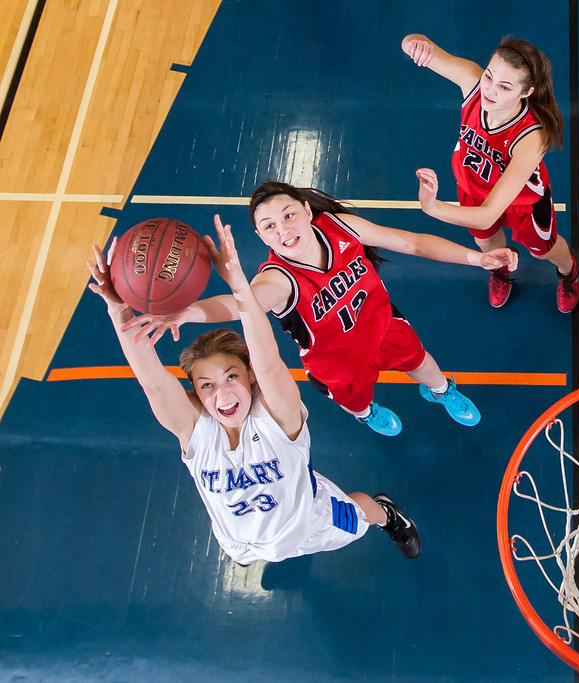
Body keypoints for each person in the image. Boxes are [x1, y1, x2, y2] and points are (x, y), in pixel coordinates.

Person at [87, 216, 421, 564]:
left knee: (363, 516)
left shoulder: (277, 416)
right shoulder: (195, 430)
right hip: (238, 542)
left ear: (249, 375)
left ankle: (387, 514)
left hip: (313, 523)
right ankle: (260, 548)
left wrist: (239, 286)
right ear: (196, 393)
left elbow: (268, 364)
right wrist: (118, 308)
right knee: (244, 553)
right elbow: (153, 381)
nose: (222, 394)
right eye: (207, 385)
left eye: (231, 377)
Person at [126, 180, 519, 437]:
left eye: (288, 215)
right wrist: (187, 312)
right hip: (337, 364)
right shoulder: (278, 280)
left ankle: (441, 391)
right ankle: (367, 413)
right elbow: (238, 303)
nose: (283, 229)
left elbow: (412, 243)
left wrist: (476, 259)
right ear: (261, 236)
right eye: (269, 226)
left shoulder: (341, 227)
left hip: (384, 327)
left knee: (425, 364)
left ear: (307, 210)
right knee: (358, 403)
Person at [402, 34, 579, 313]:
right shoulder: (473, 82)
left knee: (544, 250)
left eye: (504, 86)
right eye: (489, 76)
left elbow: (487, 214)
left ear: (526, 93)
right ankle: (500, 270)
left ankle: (568, 271)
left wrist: (433, 208)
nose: (490, 89)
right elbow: (414, 43)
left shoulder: (531, 137)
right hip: (473, 188)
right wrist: (415, 45)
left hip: (524, 204)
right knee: (486, 242)